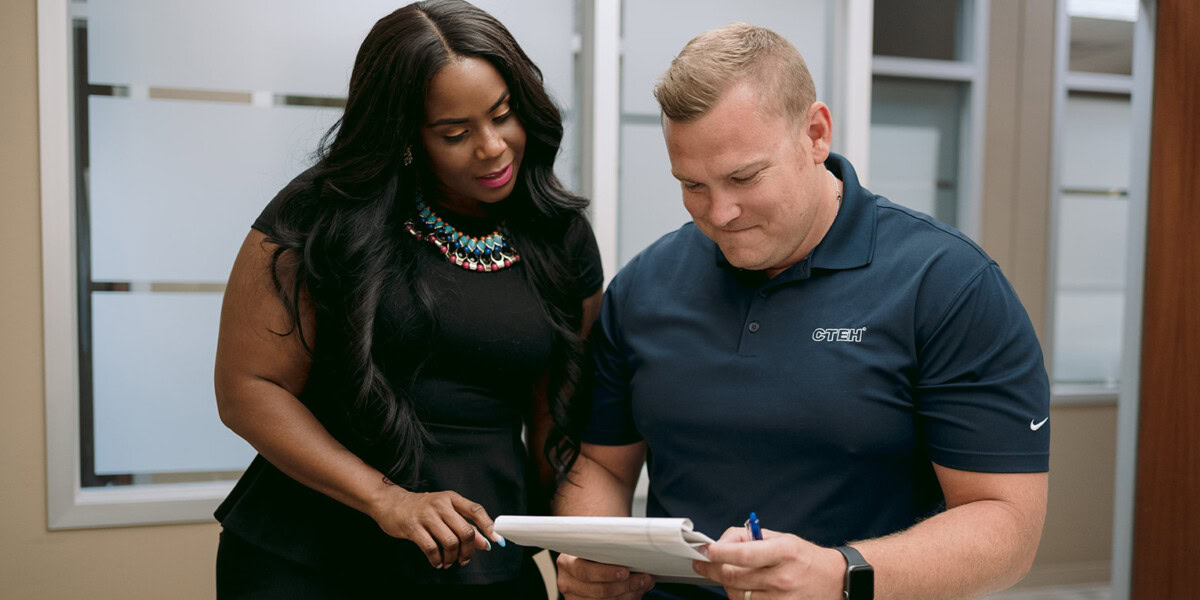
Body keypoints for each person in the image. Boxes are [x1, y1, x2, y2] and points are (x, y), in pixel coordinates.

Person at [553, 23, 1049, 600]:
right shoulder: (644, 285)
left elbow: (1006, 523)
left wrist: (841, 575)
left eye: (744, 176)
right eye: (692, 184)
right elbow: (604, 466)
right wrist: (593, 552)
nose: (720, 213)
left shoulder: (949, 284)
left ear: (815, 134)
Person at [212, 2, 603, 597]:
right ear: (403, 135)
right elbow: (248, 390)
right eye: (455, 133)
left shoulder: (558, 234)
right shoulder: (320, 214)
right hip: (310, 563)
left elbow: (559, 427)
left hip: (485, 559)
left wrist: (583, 550)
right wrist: (386, 499)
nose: (493, 147)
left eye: (504, 115)